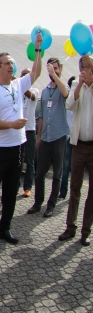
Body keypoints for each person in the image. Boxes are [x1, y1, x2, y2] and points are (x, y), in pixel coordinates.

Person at [0, 33, 42, 248]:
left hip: (17, 147)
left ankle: (4, 228)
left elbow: (37, 71)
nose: (11, 66)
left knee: (11, 191)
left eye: (12, 63)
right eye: (7, 63)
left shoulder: (18, 85)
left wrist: (38, 49)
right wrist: (11, 124)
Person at [28, 57, 69, 217]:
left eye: (56, 68)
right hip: (45, 137)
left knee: (57, 174)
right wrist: (39, 136)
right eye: (50, 68)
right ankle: (38, 203)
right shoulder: (44, 92)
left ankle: (51, 205)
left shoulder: (62, 87)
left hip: (59, 136)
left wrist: (56, 75)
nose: (52, 71)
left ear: (60, 69)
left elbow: (66, 94)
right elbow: (42, 116)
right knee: (40, 173)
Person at [59, 56, 93, 246]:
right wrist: (80, 85)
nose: (86, 71)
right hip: (79, 146)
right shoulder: (76, 87)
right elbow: (70, 105)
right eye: (84, 67)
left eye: (89, 67)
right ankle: (70, 227)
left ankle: (86, 231)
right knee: (75, 189)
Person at [21, 71, 40, 198]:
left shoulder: (35, 90)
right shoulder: (17, 90)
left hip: (30, 129)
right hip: (18, 129)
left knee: (29, 160)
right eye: (23, 75)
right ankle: (16, 185)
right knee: (17, 160)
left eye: (27, 75)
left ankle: (27, 187)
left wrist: (21, 87)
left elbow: (32, 97)